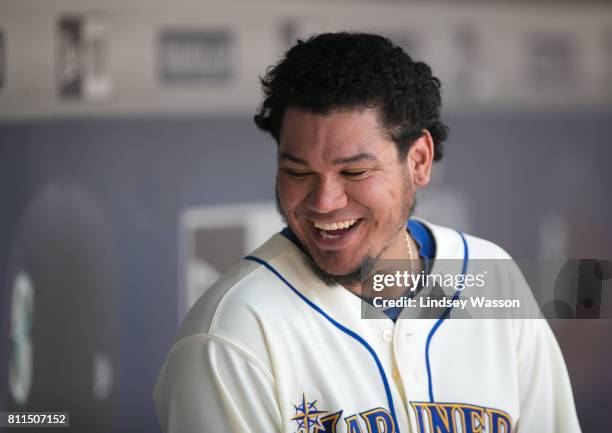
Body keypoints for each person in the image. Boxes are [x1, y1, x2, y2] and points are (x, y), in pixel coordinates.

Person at [154, 32, 581, 433]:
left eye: (354, 171)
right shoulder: (232, 335)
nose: (324, 201)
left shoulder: (492, 277)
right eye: (297, 172)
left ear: (418, 161)